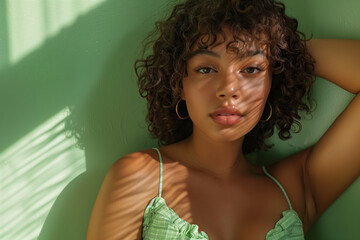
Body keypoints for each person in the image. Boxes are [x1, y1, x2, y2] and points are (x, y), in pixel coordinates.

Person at [87, 0, 360, 239]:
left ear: (272, 85)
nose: (228, 88)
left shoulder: (295, 187)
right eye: (206, 68)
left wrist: (285, 51)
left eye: (251, 69)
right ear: (178, 85)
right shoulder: (139, 177)